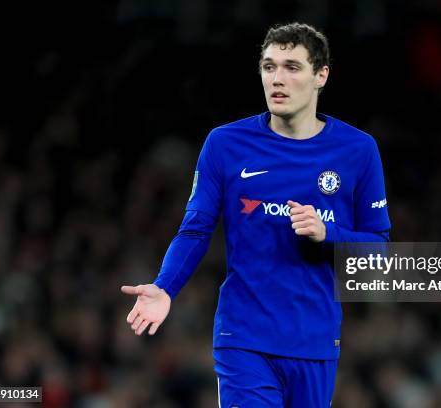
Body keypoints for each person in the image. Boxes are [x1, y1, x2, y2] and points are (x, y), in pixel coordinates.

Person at [121, 22, 391, 407]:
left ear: (321, 75)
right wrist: (165, 287)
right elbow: (195, 230)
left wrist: (327, 233)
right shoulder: (225, 144)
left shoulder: (359, 151)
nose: (277, 79)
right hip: (243, 339)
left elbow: (378, 252)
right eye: (269, 66)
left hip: (314, 342)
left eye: (292, 67)